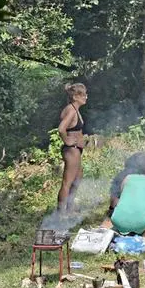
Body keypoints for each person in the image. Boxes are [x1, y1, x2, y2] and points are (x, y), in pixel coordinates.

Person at [57, 82, 88, 213]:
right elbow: (61, 128)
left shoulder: (75, 109)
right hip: (71, 150)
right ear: (76, 96)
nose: (86, 97)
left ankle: (70, 209)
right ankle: (60, 214)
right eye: (84, 94)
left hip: (76, 149)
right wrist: (67, 140)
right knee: (68, 181)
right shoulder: (71, 110)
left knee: (77, 179)